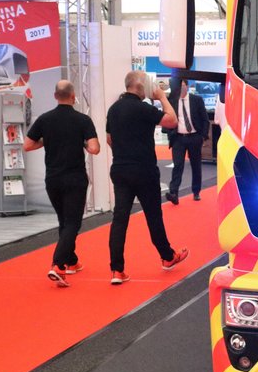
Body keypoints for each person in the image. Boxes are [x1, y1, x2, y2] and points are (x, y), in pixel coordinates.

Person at [105, 70, 189, 285]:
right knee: (153, 215)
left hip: (120, 169)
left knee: (120, 218)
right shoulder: (143, 108)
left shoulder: (113, 109)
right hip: (143, 169)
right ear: (140, 86)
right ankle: (167, 256)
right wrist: (162, 97)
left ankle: (117, 270)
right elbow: (172, 120)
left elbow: (109, 139)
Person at [24, 79, 100, 288]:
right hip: (75, 178)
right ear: (74, 96)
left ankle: (71, 260)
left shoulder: (45, 120)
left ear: (55, 96)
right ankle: (58, 265)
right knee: (73, 222)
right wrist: (82, 142)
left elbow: (28, 145)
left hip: (53, 178)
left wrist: (46, 141)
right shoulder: (83, 120)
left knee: (64, 221)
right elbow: (94, 148)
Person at [165, 80, 210, 204]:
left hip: (194, 137)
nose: (180, 88)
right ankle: (174, 192)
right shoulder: (172, 101)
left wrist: (203, 136)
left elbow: (205, 120)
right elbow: (167, 119)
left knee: (196, 165)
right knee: (178, 165)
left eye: (182, 85)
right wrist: (170, 134)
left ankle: (196, 192)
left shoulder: (197, 100)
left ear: (188, 86)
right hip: (178, 138)